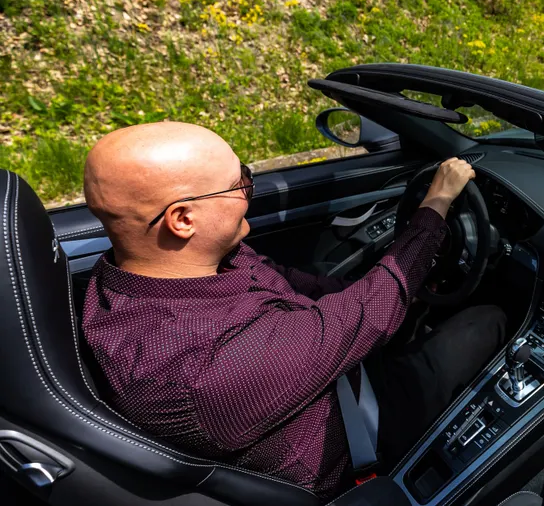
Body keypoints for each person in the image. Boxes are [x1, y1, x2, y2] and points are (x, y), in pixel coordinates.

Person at [81, 121, 506, 499]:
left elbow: (322, 291)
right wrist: (435, 208)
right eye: (241, 183)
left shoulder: (161, 271)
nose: (251, 189)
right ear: (183, 219)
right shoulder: (199, 369)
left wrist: (400, 284)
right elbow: (369, 313)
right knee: (490, 320)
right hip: (360, 431)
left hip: (329, 378)